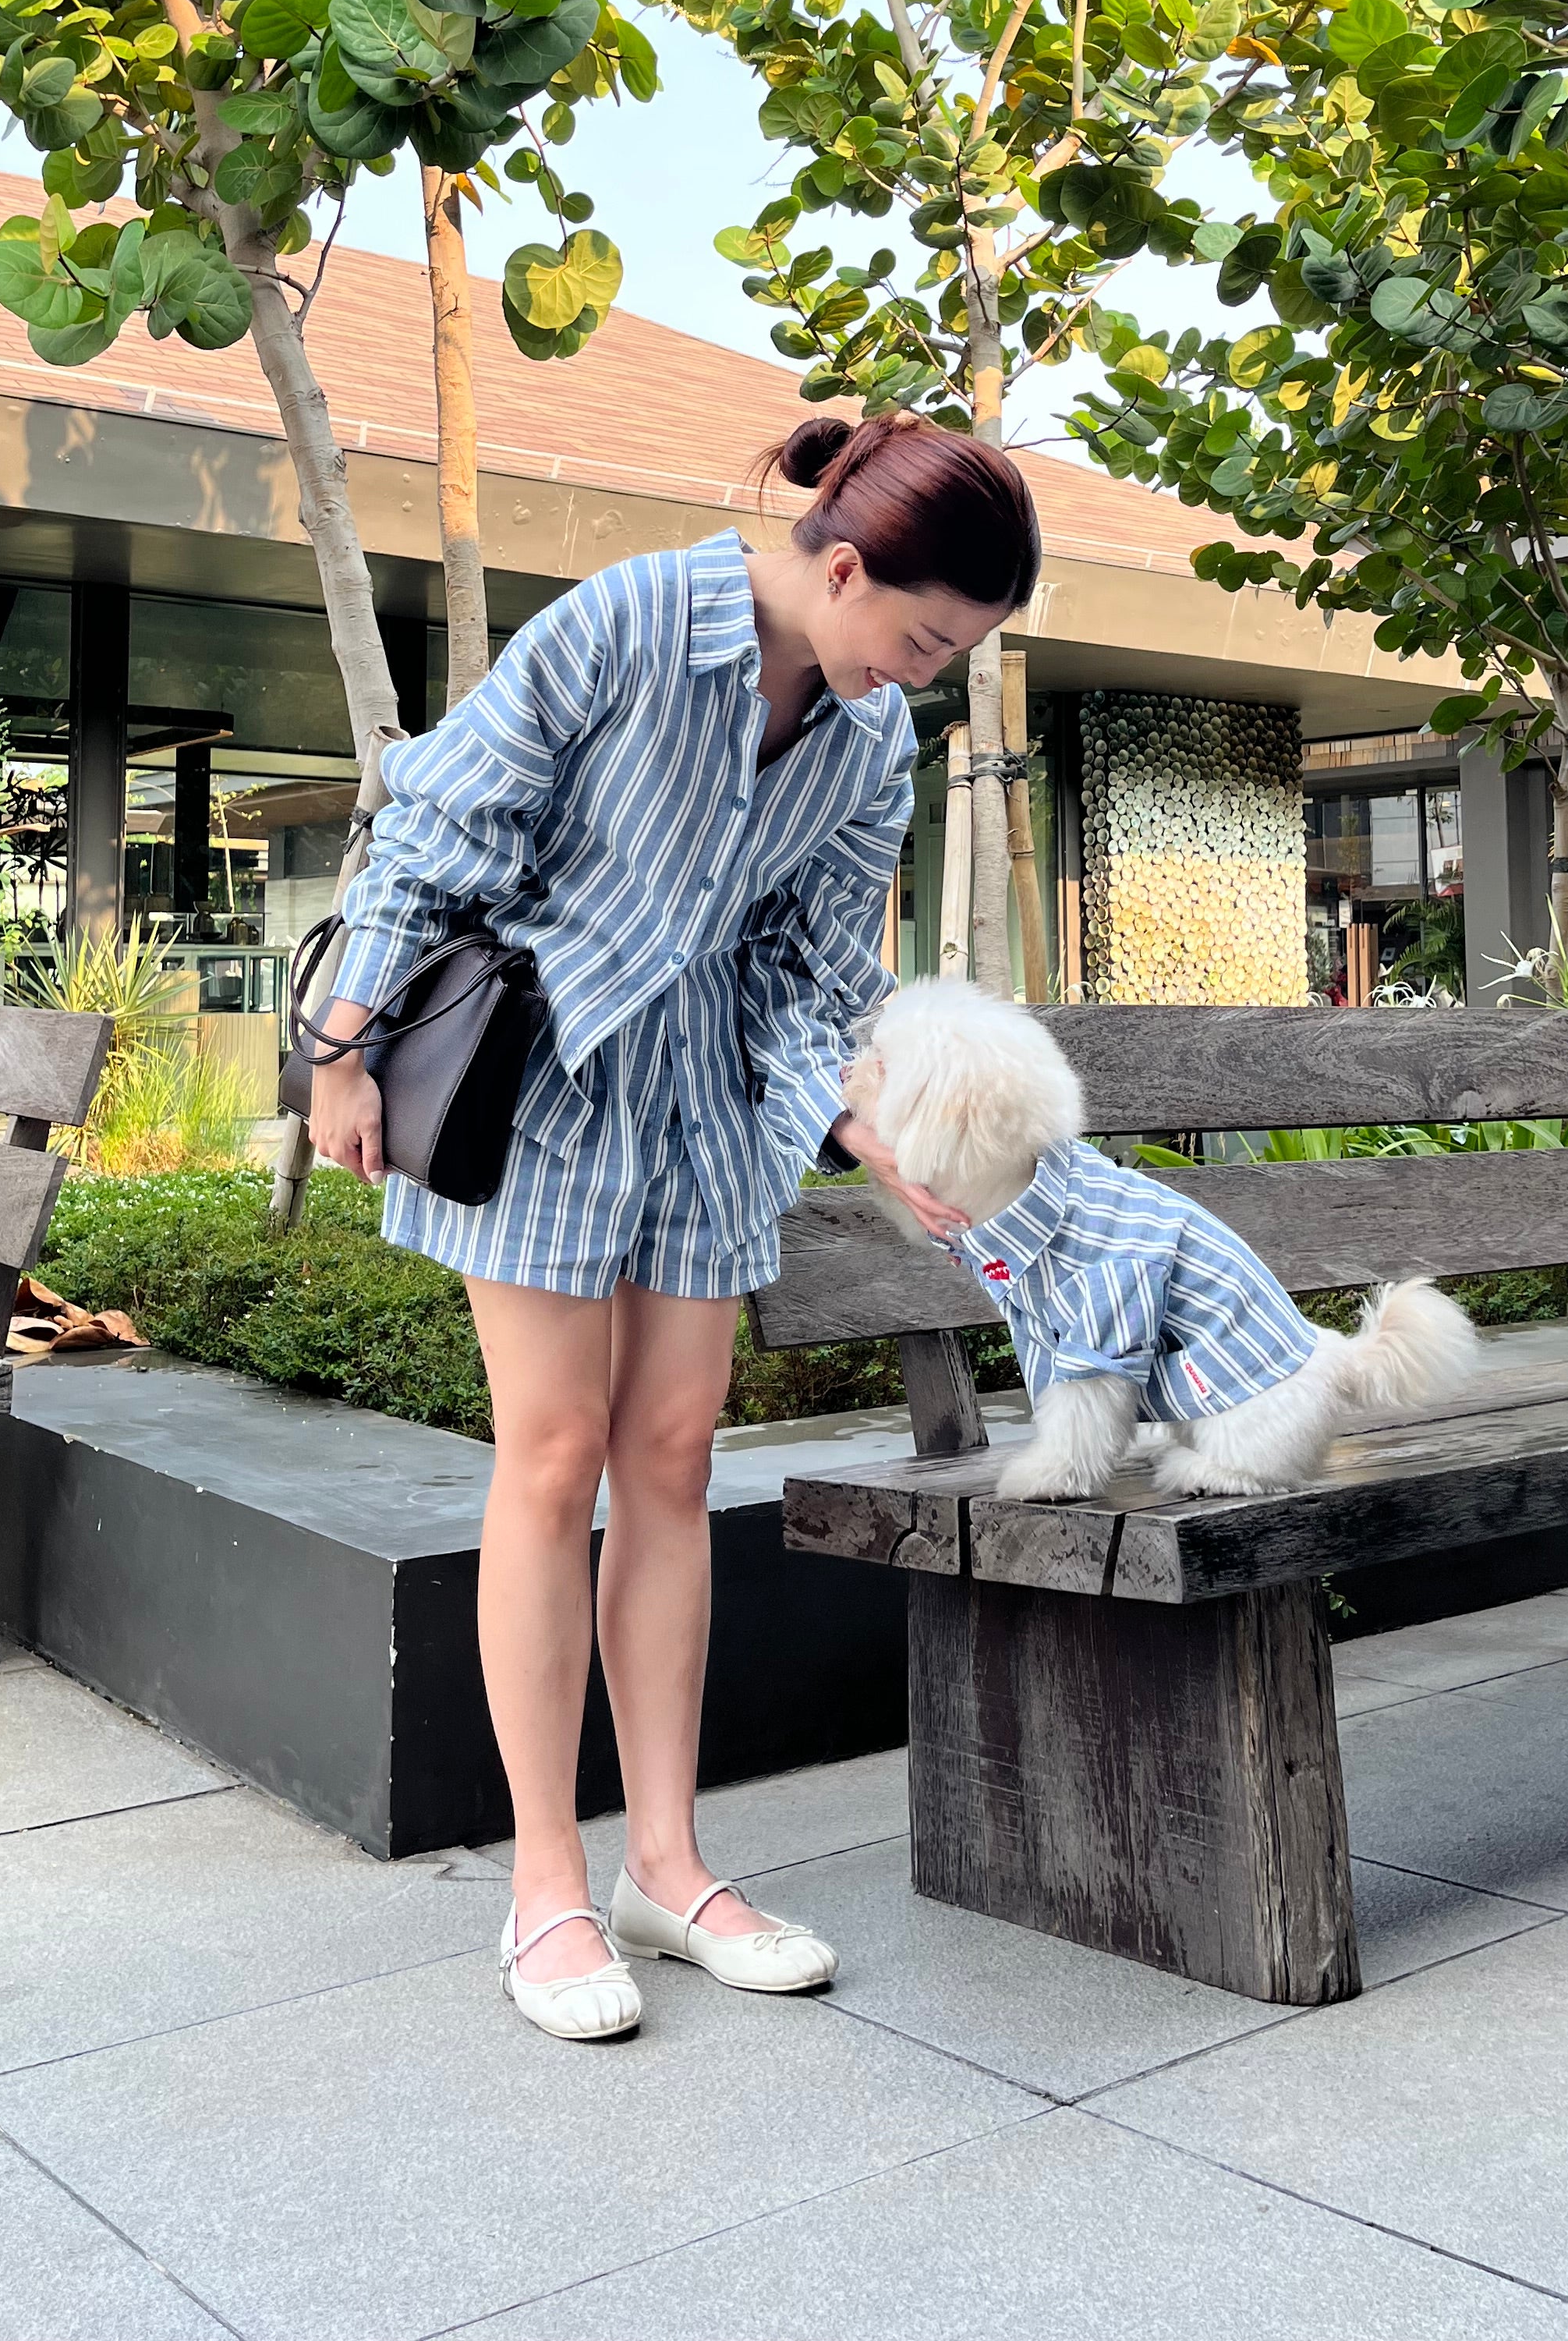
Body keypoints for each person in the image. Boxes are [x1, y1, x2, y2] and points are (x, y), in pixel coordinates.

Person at [308, 409, 1040, 2040]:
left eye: (951, 656)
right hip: (542, 1079)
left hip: (705, 1102)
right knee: (553, 1452)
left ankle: (666, 1864)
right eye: (923, 638)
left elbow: (812, 964)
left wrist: (870, 1126)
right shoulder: (635, 618)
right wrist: (339, 1042)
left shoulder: (870, 739)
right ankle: (544, 1888)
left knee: (673, 1459)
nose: (920, 676)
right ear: (842, 569)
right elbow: (441, 823)